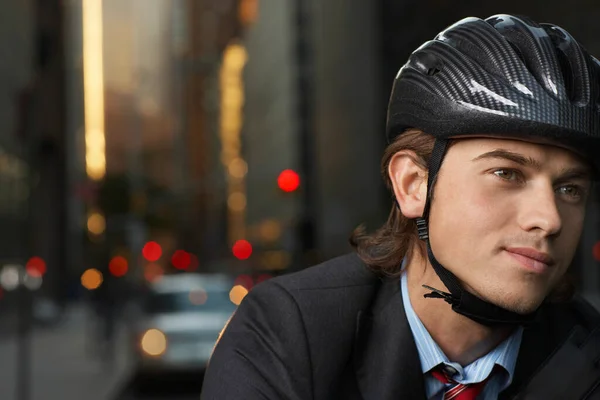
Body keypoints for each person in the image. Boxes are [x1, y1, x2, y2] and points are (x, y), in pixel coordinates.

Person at [201, 14, 600, 399]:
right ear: (413, 185)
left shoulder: (590, 354)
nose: (548, 219)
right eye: (506, 174)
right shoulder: (288, 333)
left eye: (570, 189)